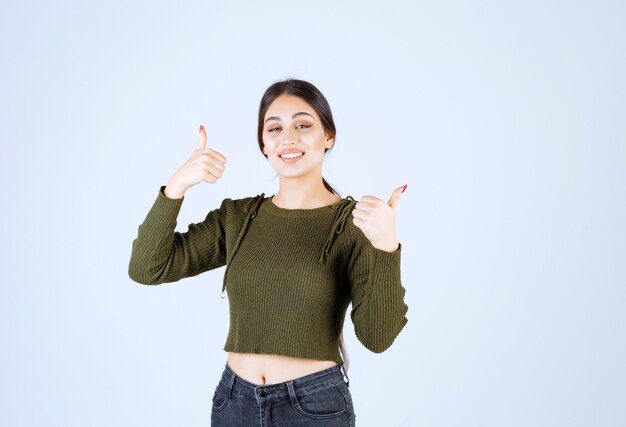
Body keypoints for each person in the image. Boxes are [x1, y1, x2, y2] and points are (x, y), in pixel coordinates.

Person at [128, 78, 409, 426]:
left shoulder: (354, 225)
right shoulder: (237, 218)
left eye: (303, 125)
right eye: (274, 128)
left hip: (313, 407)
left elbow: (377, 337)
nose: (287, 138)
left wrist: (386, 247)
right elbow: (147, 268)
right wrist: (176, 186)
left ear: (328, 137)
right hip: (235, 401)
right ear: (263, 143)